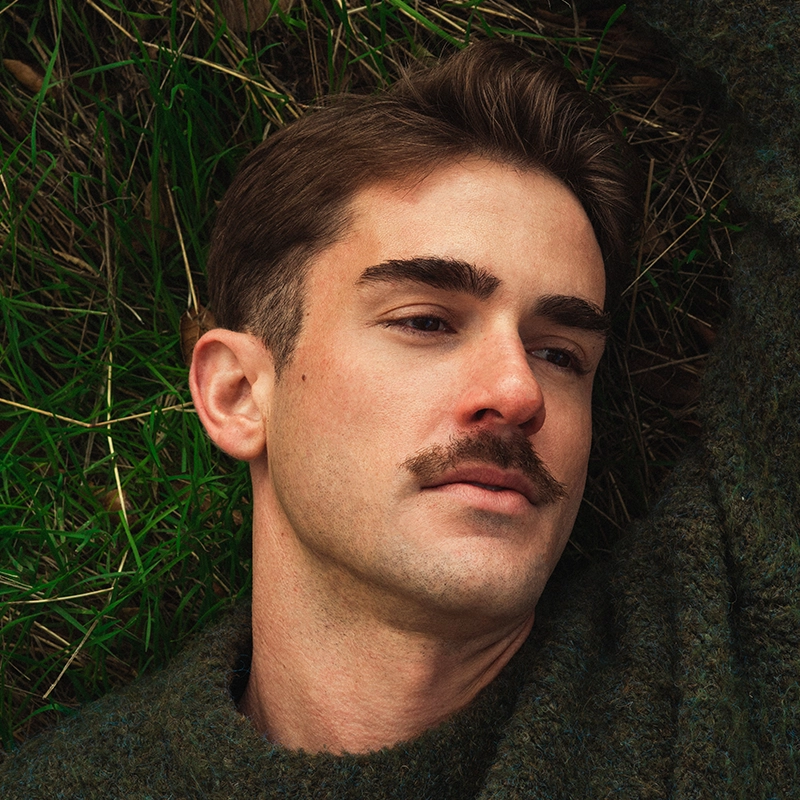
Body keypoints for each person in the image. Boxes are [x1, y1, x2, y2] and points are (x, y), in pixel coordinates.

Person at [1, 1, 798, 797]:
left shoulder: (722, 661)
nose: (520, 391)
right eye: (426, 321)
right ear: (239, 394)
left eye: (560, 353)